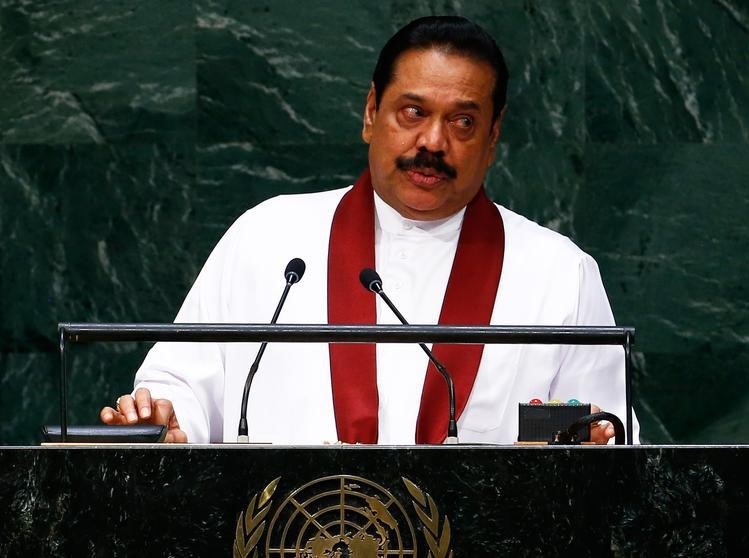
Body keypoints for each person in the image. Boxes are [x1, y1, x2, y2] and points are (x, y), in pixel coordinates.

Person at [101, 15, 639, 445]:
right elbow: (183, 389)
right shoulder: (268, 239)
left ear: (494, 137)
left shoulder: (559, 274)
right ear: (370, 112)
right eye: (412, 112)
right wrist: (166, 422)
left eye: (463, 122)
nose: (432, 141)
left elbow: (611, 437)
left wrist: (591, 441)